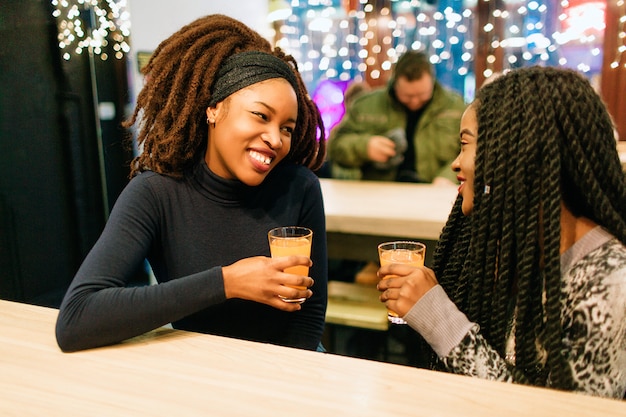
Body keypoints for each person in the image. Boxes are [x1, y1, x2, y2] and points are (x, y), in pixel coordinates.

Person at [55, 14, 328, 353]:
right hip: (197, 370)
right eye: (260, 115)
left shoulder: (299, 188)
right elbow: (77, 319)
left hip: (286, 372)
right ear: (213, 109)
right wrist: (228, 282)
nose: (275, 138)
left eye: (286, 128)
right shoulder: (155, 194)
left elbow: (310, 318)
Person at [377, 66, 626, 399]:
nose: (456, 162)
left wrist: (441, 319)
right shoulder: (523, 250)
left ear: (515, 152)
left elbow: (559, 410)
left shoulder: (610, 281)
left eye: (465, 144)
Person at [328, 50, 466, 185]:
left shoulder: (456, 108)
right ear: (395, 83)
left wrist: (449, 177)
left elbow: (471, 152)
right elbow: (335, 146)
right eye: (408, 96)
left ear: (432, 83)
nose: (415, 101)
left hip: (434, 193)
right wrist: (365, 147)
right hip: (378, 193)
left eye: (422, 95)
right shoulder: (365, 105)